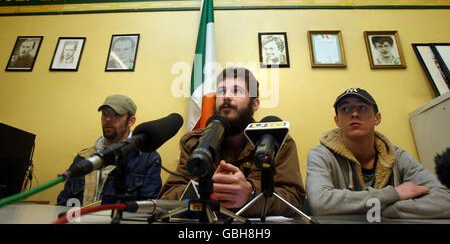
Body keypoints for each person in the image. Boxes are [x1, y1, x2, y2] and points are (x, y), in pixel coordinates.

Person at [159, 67, 305, 217]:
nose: (226, 96)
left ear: (254, 104)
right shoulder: (194, 142)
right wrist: (205, 189)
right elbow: (167, 198)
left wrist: (251, 193)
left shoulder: (277, 141)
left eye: (236, 91)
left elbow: (294, 199)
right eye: (221, 91)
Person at [306, 88, 450, 218]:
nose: (354, 114)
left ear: (377, 118)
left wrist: (384, 210)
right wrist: (394, 194)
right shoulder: (320, 155)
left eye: (362, 108)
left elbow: (445, 199)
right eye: (345, 109)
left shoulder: (398, 157)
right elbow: (319, 203)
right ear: (337, 121)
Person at [57, 94, 162, 206]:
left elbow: (148, 208)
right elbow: (64, 203)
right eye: (105, 114)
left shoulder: (148, 159)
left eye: (116, 115)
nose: (108, 119)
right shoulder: (83, 158)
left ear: (131, 121)